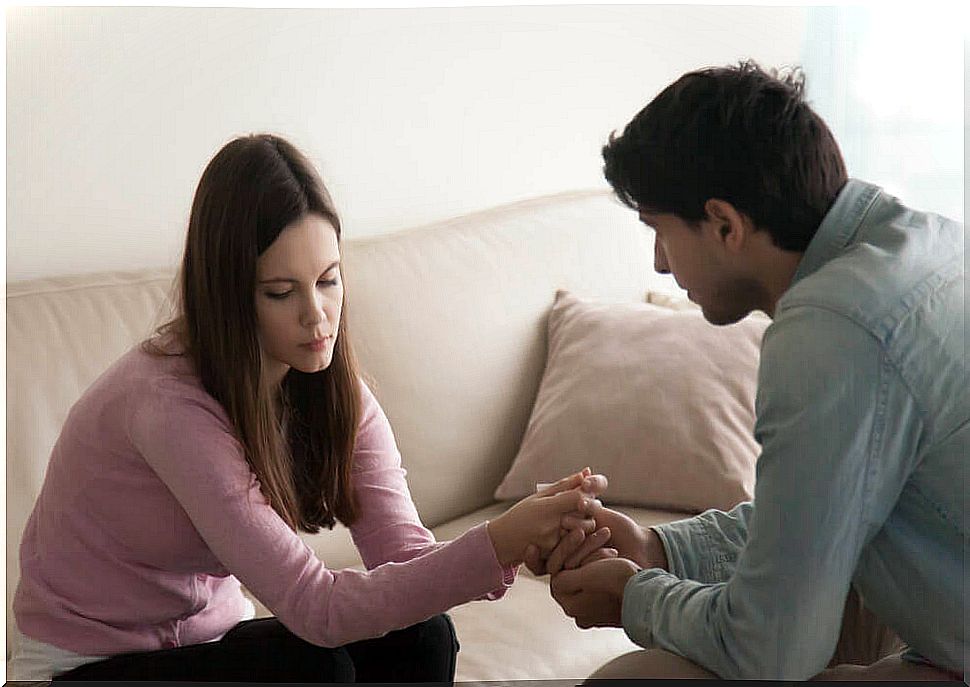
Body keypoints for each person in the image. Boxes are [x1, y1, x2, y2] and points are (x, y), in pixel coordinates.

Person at [9, 134, 613, 682]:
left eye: (328, 280)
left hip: (211, 639)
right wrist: (499, 541)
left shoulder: (331, 387)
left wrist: (519, 541)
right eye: (281, 292)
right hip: (88, 663)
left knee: (424, 638)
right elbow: (314, 609)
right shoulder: (166, 404)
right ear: (228, 295)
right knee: (312, 669)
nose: (317, 316)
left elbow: (406, 560)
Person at [526, 61, 967, 681]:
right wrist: (662, 550)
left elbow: (770, 650)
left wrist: (635, 597)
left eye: (659, 231)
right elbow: (824, 506)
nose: (657, 264)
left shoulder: (832, 332)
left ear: (725, 225)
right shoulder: (930, 242)